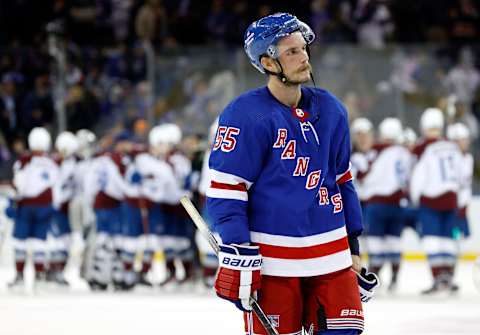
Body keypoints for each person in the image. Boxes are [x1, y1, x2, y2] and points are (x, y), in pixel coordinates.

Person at [206, 13, 378, 335]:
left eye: (303, 49)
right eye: (292, 52)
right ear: (268, 63)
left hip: (332, 256)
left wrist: (352, 246)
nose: (304, 58)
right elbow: (227, 189)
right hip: (273, 262)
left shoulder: (331, 110)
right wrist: (238, 251)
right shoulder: (245, 115)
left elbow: (343, 180)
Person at [410, 108, 463, 294]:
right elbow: (462, 175)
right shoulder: (452, 146)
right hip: (451, 198)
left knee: (432, 241)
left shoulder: (422, 147)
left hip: (430, 200)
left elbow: (416, 175)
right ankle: (448, 276)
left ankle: (438, 277)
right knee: (449, 240)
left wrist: (414, 197)